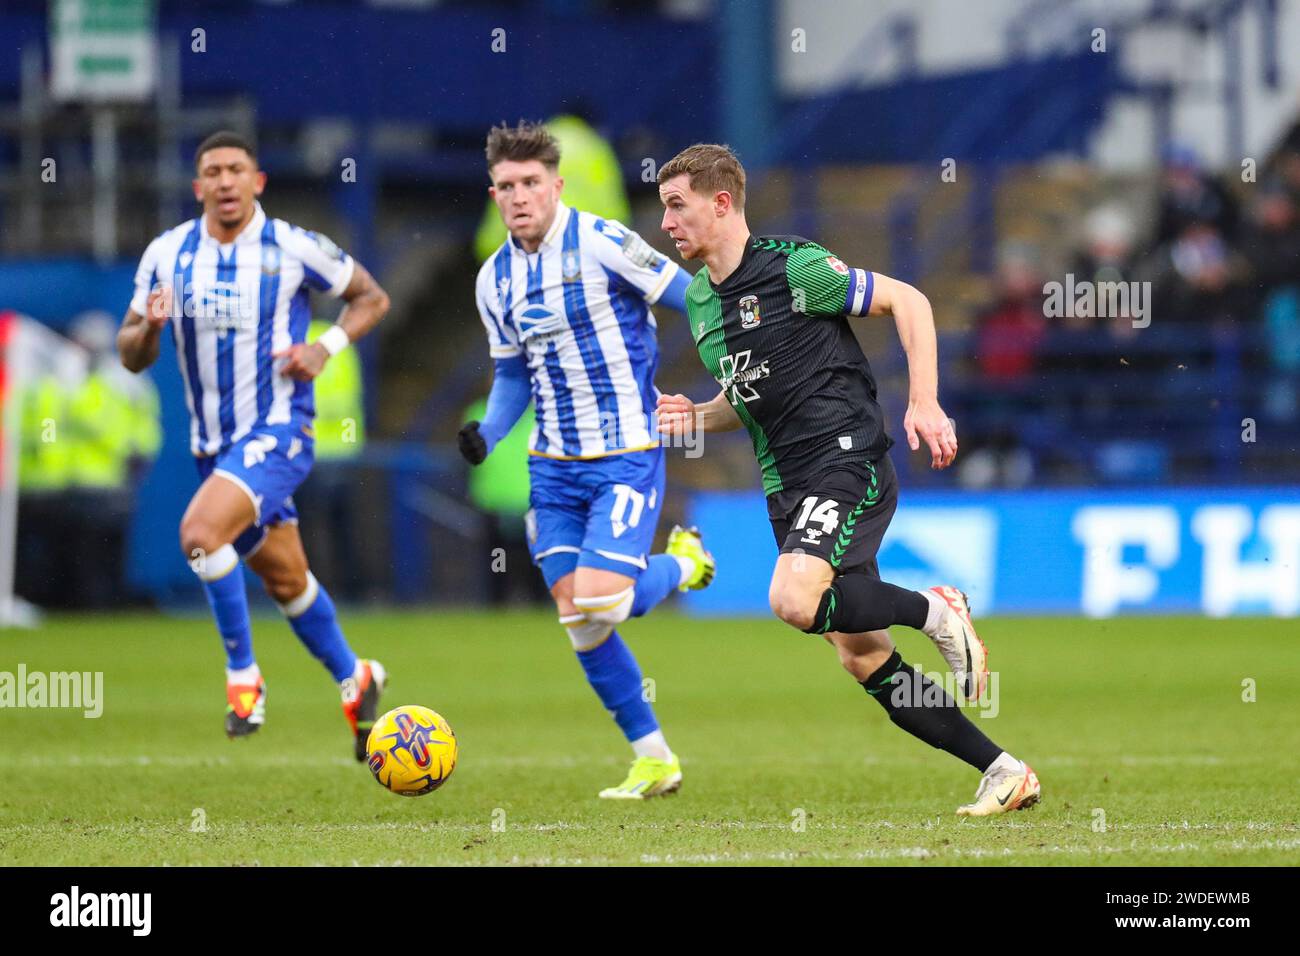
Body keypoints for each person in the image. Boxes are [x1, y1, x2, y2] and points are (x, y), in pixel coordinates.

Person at [654, 143, 1039, 817]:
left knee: (795, 599)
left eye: (677, 206)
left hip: (845, 456)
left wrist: (924, 399)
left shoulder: (795, 268)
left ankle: (936, 611)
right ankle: (1003, 770)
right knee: (862, 656)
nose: (667, 223)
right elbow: (747, 399)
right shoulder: (698, 302)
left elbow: (910, 301)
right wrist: (696, 417)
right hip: (788, 485)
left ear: (721, 204)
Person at [117, 131, 392, 759]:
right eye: (211, 171)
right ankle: (357, 678)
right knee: (286, 579)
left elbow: (372, 297)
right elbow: (131, 353)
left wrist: (325, 348)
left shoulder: (292, 247)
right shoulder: (167, 253)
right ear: (198, 188)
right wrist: (150, 325)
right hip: (213, 450)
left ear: (257, 181)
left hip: (279, 434)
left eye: (235, 169)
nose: (224, 181)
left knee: (200, 535)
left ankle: (244, 676)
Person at [458, 121, 712, 800]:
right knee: (580, 619)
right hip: (552, 467)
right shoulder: (494, 280)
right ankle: (654, 757)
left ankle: (685, 563)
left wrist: (733, 368)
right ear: (494, 193)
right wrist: (489, 431)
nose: (519, 197)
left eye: (531, 183)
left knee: (605, 597)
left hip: (625, 451)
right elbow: (513, 375)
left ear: (556, 185)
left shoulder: (602, 241)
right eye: (506, 187)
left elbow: (690, 295)